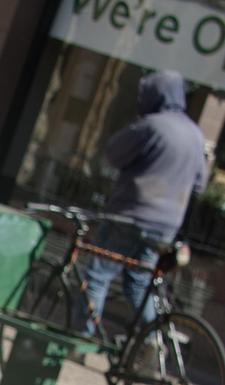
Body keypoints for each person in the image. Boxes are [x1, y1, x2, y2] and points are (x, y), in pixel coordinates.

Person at [75, 70, 208, 336]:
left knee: (99, 275)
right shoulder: (195, 135)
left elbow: (113, 153)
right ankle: (150, 343)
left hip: (131, 215)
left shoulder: (151, 126)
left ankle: (81, 336)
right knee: (138, 281)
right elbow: (199, 184)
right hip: (166, 226)